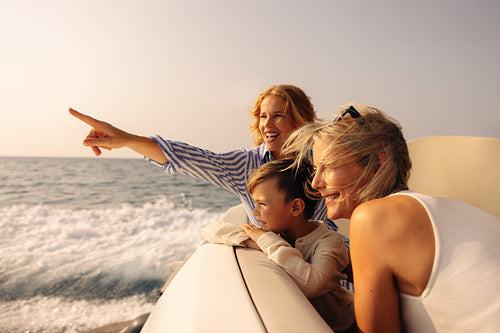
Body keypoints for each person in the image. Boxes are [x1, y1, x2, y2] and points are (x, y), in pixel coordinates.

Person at [285, 103, 500, 332]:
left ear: (378, 163)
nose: (316, 183)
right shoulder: (451, 210)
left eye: (328, 166)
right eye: (316, 169)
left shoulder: (373, 217)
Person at [69, 85, 339, 230]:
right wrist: (127, 140)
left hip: (329, 262)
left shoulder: (323, 159)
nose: (267, 124)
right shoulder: (249, 165)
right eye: (263, 116)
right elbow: (189, 158)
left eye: (278, 115)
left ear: (300, 118)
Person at [202, 158, 356, 332]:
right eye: (254, 203)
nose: (255, 212)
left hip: (345, 327)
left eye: (262, 204)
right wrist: (254, 240)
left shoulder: (330, 242)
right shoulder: (273, 235)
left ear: (296, 207)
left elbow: (311, 284)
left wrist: (266, 240)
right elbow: (212, 229)